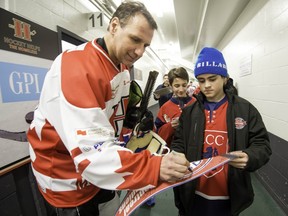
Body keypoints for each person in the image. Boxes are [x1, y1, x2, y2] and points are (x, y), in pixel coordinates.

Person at [27, 2, 190, 216]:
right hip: (67, 180)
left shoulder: (121, 68)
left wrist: (130, 125)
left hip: (100, 176)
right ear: (114, 26)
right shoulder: (77, 67)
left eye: (146, 45)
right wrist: (155, 167)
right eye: (135, 39)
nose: (140, 51)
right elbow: (91, 154)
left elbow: (108, 123)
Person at [171, 47, 272, 216]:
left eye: (212, 79)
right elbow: (179, 142)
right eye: (201, 80)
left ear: (225, 78)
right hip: (194, 191)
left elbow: (262, 145)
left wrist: (250, 156)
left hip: (228, 195)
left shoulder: (245, 110)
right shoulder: (189, 113)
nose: (207, 85)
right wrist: (176, 155)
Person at [155, 67, 196, 148]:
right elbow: (158, 134)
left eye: (184, 85)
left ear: (187, 83)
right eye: (177, 86)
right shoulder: (165, 108)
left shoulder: (195, 103)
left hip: (194, 148)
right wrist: (170, 126)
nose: (181, 90)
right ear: (171, 86)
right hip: (173, 150)